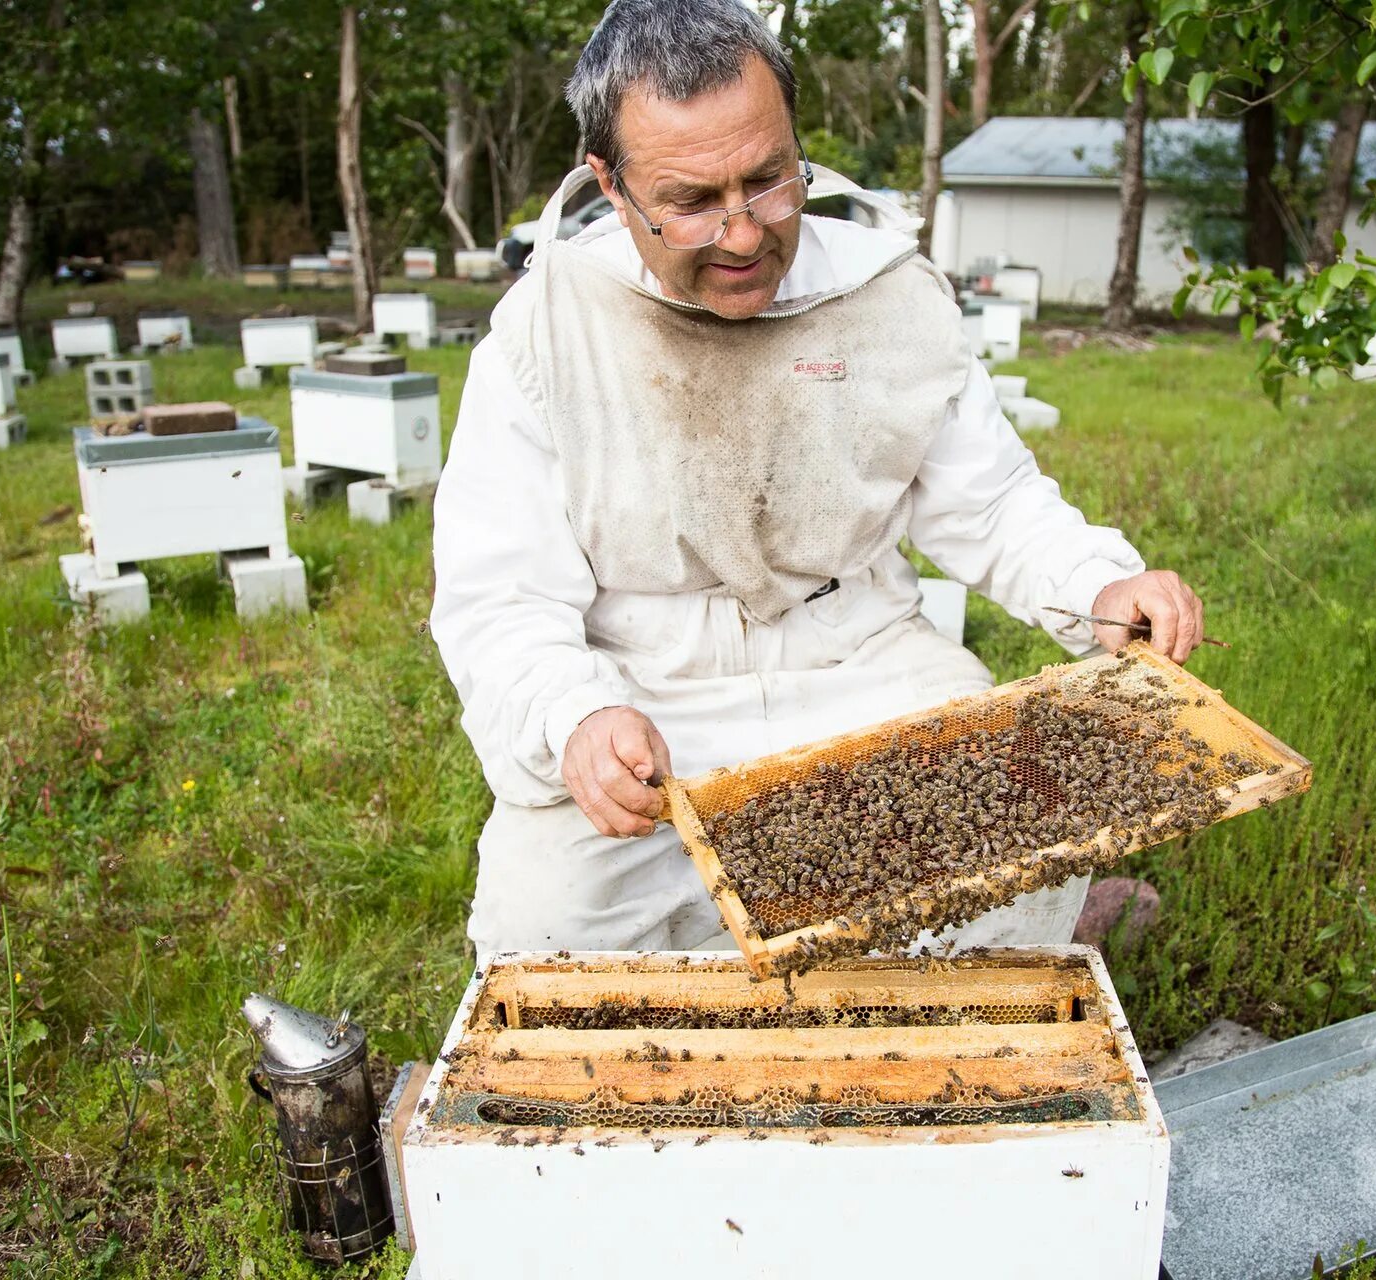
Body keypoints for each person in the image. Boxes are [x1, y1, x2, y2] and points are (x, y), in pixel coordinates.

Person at [431, 0, 1207, 956]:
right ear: (609, 182)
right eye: (690, 200)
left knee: (1021, 866)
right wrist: (576, 715)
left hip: (864, 660)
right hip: (644, 692)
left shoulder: (883, 293)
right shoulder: (542, 335)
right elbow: (500, 595)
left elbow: (993, 502)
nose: (745, 234)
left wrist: (1099, 582)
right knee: (545, 936)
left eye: (768, 181)